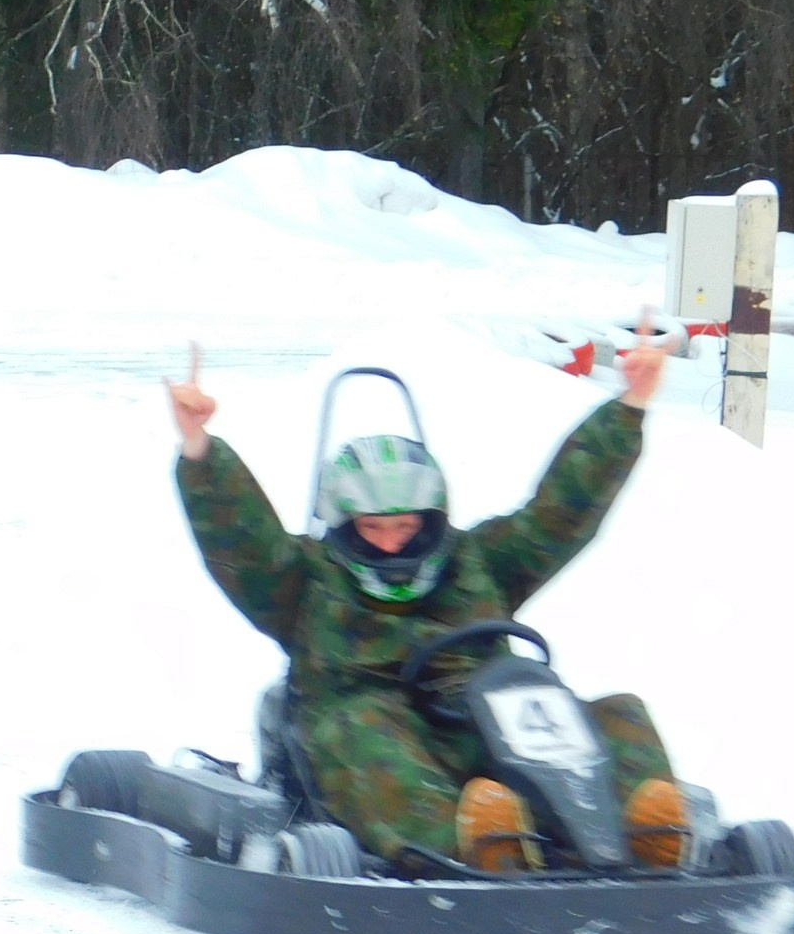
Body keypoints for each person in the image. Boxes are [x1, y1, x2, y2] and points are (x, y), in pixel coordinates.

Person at [165, 318, 686, 872]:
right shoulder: (306, 580)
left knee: (618, 713)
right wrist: (200, 450)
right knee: (362, 730)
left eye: (406, 528)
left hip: (486, 726)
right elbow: (243, 543)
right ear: (344, 526)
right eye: (372, 530)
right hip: (367, 737)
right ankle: (476, 850)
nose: (391, 544)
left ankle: (641, 832)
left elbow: (562, 511)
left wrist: (630, 404)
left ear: (433, 520)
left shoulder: (479, 563)